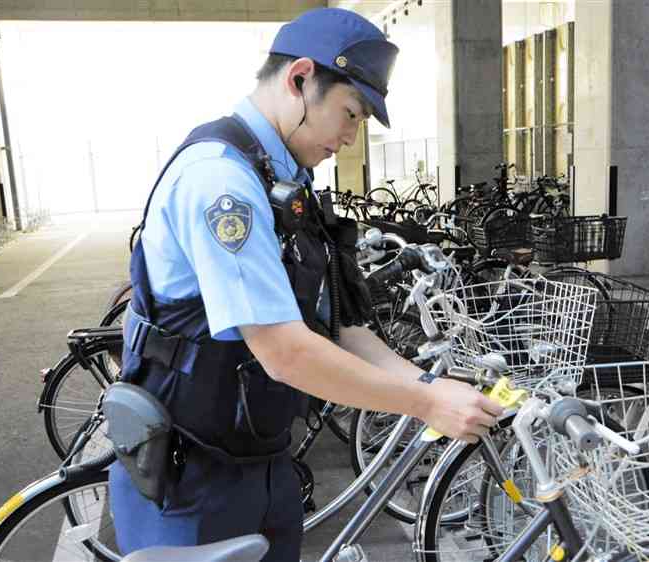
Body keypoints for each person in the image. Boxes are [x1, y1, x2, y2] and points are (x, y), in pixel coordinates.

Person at [109, 7, 503, 561]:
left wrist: (431, 385)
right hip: (192, 469)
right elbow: (286, 353)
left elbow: (339, 327)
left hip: (257, 455)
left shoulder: (285, 180)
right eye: (350, 113)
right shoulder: (224, 183)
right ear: (300, 79)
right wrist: (424, 403)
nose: (349, 135)